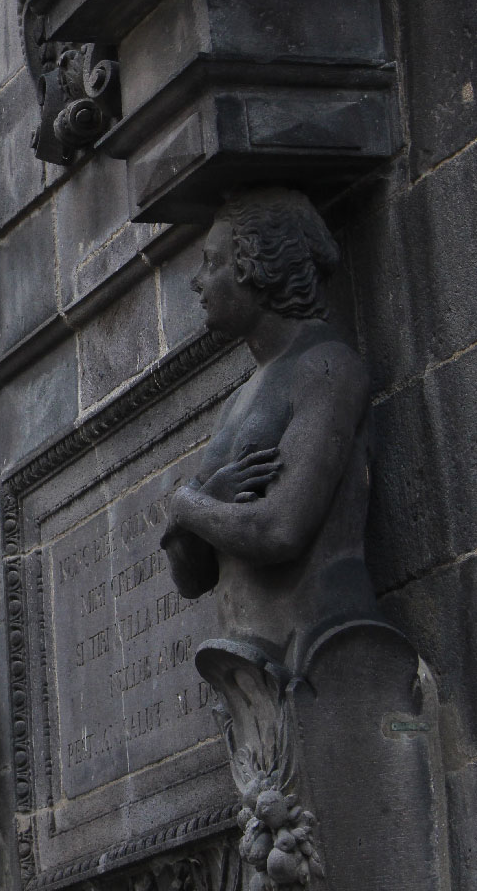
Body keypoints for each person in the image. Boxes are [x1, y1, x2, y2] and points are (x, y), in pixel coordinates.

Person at [161, 187, 382, 672]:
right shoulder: (240, 400)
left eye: (212, 262)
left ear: (257, 267)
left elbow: (279, 529)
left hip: (322, 652)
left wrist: (187, 503)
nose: (197, 281)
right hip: (252, 662)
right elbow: (191, 575)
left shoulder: (326, 367)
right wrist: (199, 507)